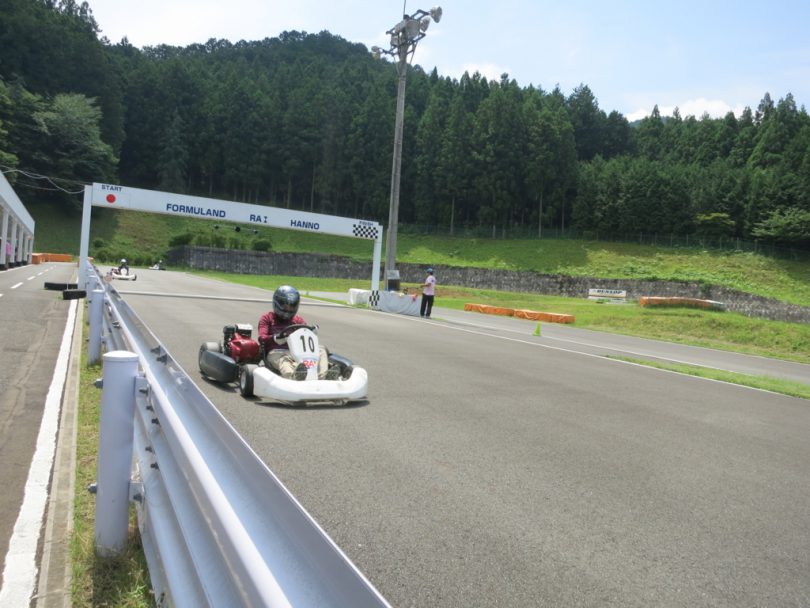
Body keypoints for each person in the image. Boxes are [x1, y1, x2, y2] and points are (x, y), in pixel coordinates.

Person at [258, 285, 329, 380]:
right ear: (277, 303)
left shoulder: (297, 320)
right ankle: (293, 377)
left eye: (292, 306)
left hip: (298, 353)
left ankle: (323, 377)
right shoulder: (267, 318)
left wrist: (311, 331)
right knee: (284, 360)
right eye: (285, 305)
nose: (288, 309)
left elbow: (305, 333)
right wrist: (275, 338)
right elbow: (262, 338)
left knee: (321, 350)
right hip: (277, 352)